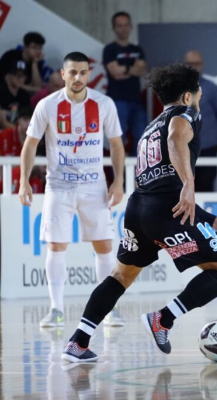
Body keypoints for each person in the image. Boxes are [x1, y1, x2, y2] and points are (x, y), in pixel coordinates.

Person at [60, 63, 217, 363]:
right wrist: (189, 185)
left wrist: (214, 221)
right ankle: (164, 319)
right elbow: (176, 139)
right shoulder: (187, 114)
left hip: (139, 209)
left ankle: (78, 342)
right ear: (187, 97)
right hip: (166, 210)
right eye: (198, 94)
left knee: (120, 276)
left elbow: (162, 185)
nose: (200, 99)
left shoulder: (151, 127)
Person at [18, 52, 126, 329]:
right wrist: (24, 180)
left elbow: (116, 144)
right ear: (63, 74)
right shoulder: (47, 105)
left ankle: (108, 310)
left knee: (104, 245)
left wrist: (118, 181)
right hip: (59, 186)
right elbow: (30, 144)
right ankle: (56, 310)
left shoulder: (103, 104)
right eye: (73, 72)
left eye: (83, 72)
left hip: (94, 186)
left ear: (89, 73)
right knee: (56, 246)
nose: (78, 77)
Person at [183, 50, 217, 192]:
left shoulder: (211, 88)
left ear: (202, 65)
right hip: (183, 148)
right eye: (190, 64)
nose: (194, 67)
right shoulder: (175, 88)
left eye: (197, 64)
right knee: (183, 190)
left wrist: (208, 131)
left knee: (206, 188)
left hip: (208, 146)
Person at [103, 11, 147, 156]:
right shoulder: (110, 49)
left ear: (130, 27)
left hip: (136, 100)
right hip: (117, 100)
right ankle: (119, 170)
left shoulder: (137, 49)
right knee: (117, 138)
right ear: (114, 28)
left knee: (142, 137)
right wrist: (131, 68)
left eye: (126, 25)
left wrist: (124, 69)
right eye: (119, 25)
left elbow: (141, 70)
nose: (123, 28)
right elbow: (115, 73)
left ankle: (136, 169)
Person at [0, 106, 45, 194]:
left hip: (27, 177)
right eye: (25, 119)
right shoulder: (3, 136)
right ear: (18, 120)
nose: (28, 124)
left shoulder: (37, 139)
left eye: (31, 121)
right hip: (4, 177)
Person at [0, 58, 31, 129]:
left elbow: (28, 119)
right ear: (7, 76)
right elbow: (2, 122)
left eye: (23, 75)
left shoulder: (24, 95)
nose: (20, 78)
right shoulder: (1, 92)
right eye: (16, 74)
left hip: (19, 131)